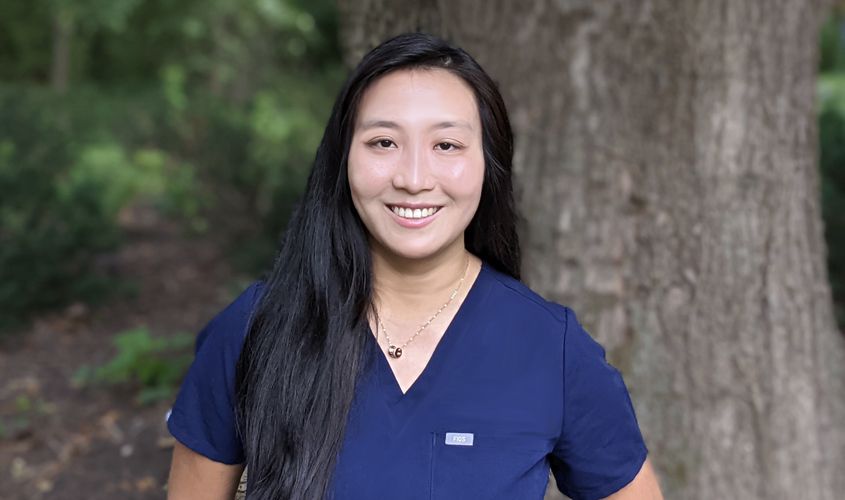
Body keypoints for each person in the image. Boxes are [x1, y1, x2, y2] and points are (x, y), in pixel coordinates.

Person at [165, 32, 663, 500]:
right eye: (384, 143)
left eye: (446, 145)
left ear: (488, 164)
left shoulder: (549, 346)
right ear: (343, 160)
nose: (414, 178)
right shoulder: (257, 327)